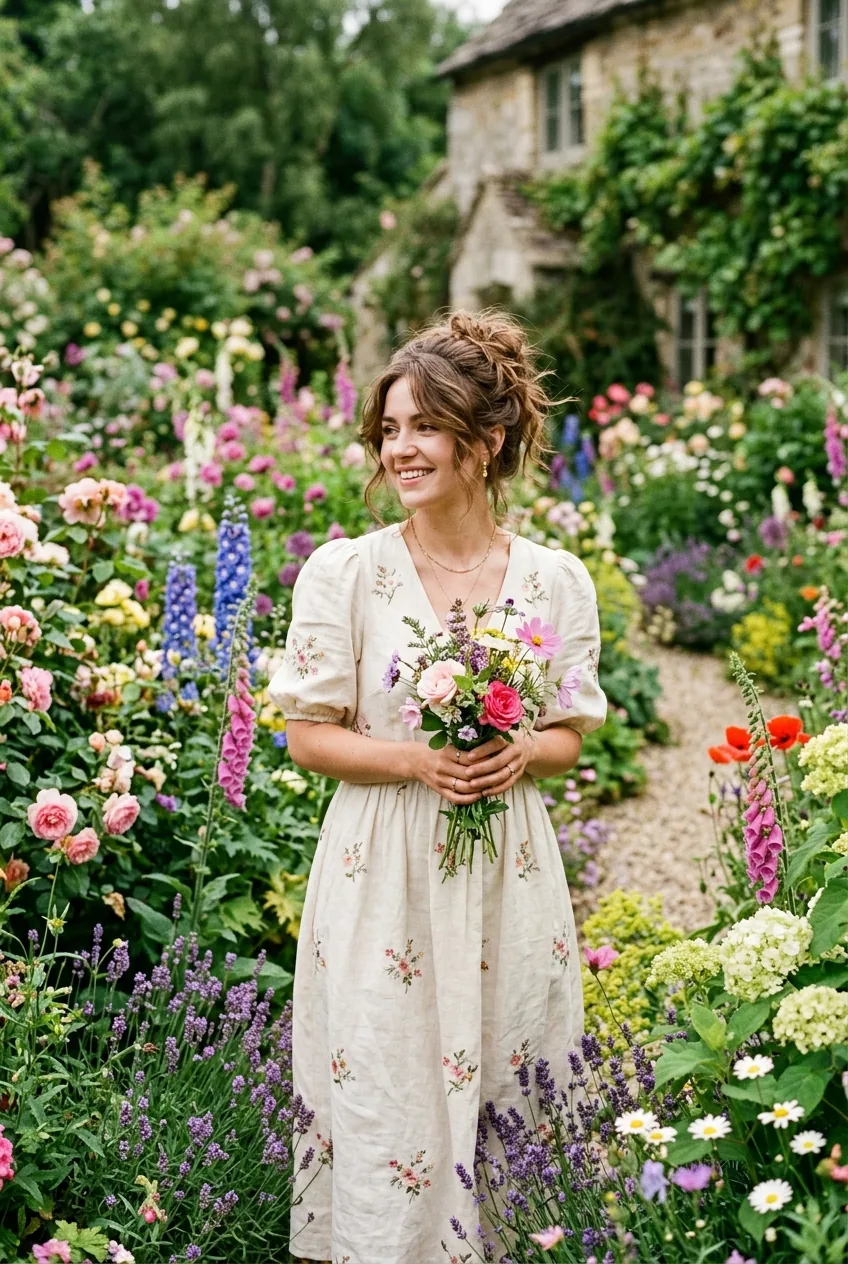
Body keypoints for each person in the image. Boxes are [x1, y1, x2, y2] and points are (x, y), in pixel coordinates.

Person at [268, 309, 607, 1264]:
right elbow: (306, 736)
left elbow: (572, 732)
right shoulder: (344, 573)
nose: (400, 448)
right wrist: (421, 759)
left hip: (507, 867)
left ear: (485, 440)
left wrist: (522, 751)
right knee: (385, 1074)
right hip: (383, 869)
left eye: (424, 426)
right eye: (389, 428)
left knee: (511, 1064)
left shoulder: (555, 582)